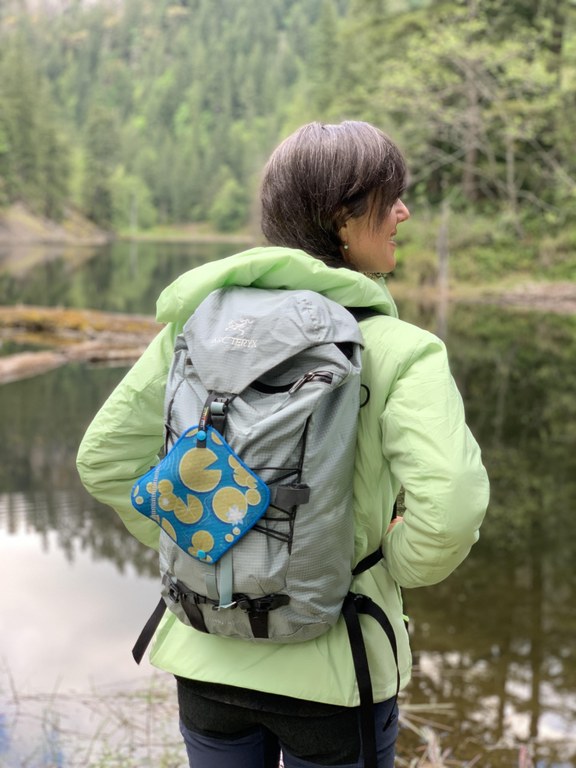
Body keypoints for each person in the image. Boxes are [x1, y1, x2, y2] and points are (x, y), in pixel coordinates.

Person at [77, 121, 489, 768]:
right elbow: (454, 507)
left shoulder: (193, 332)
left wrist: (199, 537)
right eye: (392, 196)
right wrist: (390, 565)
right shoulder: (399, 349)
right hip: (336, 668)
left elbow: (103, 462)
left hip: (205, 659)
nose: (404, 211)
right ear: (342, 219)